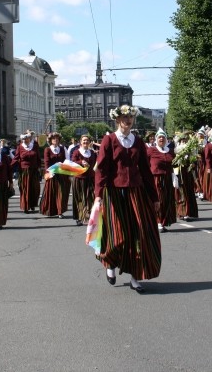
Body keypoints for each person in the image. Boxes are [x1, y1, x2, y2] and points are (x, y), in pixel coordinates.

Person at [94, 104, 161, 293]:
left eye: (130, 119)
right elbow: (102, 169)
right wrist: (98, 195)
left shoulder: (138, 141)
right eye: (124, 119)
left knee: (138, 234)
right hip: (114, 193)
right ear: (117, 120)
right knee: (117, 234)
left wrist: (154, 197)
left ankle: (134, 276)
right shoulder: (109, 140)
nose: (127, 121)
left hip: (136, 192)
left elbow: (146, 171)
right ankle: (110, 265)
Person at [147, 129, 177, 232]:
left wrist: (174, 175)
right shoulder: (151, 150)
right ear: (156, 139)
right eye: (159, 137)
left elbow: (175, 164)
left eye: (163, 137)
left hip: (168, 178)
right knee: (158, 200)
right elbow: (144, 163)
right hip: (156, 178)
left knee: (166, 200)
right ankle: (158, 221)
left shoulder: (170, 151)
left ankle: (163, 221)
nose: (161, 139)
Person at [40, 132, 70, 218]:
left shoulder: (63, 148)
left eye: (57, 138)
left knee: (61, 192)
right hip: (52, 174)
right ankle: (51, 210)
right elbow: (46, 162)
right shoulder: (47, 149)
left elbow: (67, 160)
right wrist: (49, 172)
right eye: (53, 139)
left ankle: (60, 211)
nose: (55, 140)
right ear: (50, 140)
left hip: (61, 174)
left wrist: (67, 171)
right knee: (51, 193)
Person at [70, 134, 97, 226]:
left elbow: (96, 164)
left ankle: (89, 216)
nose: (85, 142)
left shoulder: (92, 152)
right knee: (80, 199)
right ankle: (79, 217)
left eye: (87, 140)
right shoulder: (76, 152)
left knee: (91, 197)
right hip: (79, 179)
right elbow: (72, 162)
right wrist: (81, 162)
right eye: (84, 140)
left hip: (90, 178)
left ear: (89, 142)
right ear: (80, 142)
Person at [13, 132, 41, 214]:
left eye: (27, 138)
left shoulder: (35, 147)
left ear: (30, 139)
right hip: (24, 171)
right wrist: (9, 167)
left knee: (34, 189)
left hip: (34, 171)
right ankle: (26, 206)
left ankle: (32, 204)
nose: (25, 140)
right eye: (24, 139)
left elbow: (38, 158)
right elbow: (16, 158)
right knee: (25, 189)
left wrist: (39, 168)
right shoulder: (20, 147)